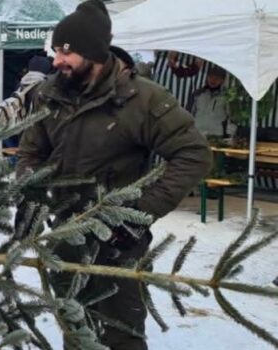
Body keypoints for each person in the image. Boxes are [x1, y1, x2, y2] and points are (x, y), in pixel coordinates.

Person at [16, 1, 212, 349]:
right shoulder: (50, 94)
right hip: (65, 235)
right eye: (55, 51)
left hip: (119, 246)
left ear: (94, 53)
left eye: (66, 52)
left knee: (121, 336)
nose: (57, 60)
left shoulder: (143, 99)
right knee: (75, 330)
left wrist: (138, 216)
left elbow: (193, 155)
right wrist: (30, 195)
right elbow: (32, 150)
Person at [187, 65, 229, 138]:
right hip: (197, 133)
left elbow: (230, 117)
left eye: (217, 78)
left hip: (217, 135)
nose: (213, 80)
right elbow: (188, 114)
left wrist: (229, 135)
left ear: (222, 80)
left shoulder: (227, 97)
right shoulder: (197, 94)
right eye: (211, 77)